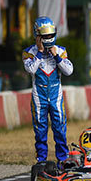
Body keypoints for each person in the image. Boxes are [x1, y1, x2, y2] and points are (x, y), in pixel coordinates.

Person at [23, 16, 74, 165]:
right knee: (40, 129)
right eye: (45, 36)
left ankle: (63, 159)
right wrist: (39, 52)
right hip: (39, 96)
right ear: (37, 36)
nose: (49, 38)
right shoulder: (29, 53)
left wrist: (56, 56)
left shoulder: (60, 50)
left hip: (55, 95)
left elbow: (68, 71)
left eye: (51, 35)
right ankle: (41, 160)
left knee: (59, 127)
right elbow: (31, 69)